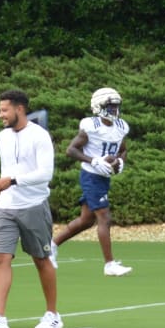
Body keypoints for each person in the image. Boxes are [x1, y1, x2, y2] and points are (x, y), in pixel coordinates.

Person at [0, 89, 63, 328]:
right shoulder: (3, 137)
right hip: (5, 206)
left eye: (4, 110)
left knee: (41, 260)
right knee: (1, 257)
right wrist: (7, 184)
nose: (0, 114)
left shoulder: (40, 136)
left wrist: (12, 180)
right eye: (0, 110)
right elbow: (9, 167)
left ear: (19, 109)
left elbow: (45, 174)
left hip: (33, 206)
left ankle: (52, 314)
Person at [50, 87, 132, 277]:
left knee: (86, 220)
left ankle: (52, 246)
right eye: (110, 107)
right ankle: (109, 264)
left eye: (116, 107)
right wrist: (93, 160)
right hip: (91, 176)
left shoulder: (121, 127)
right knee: (104, 217)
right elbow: (71, 150)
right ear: (98, 106)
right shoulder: (90, 126)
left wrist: (120, 161)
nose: (114, 111)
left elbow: (123, 150)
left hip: (104, 178)